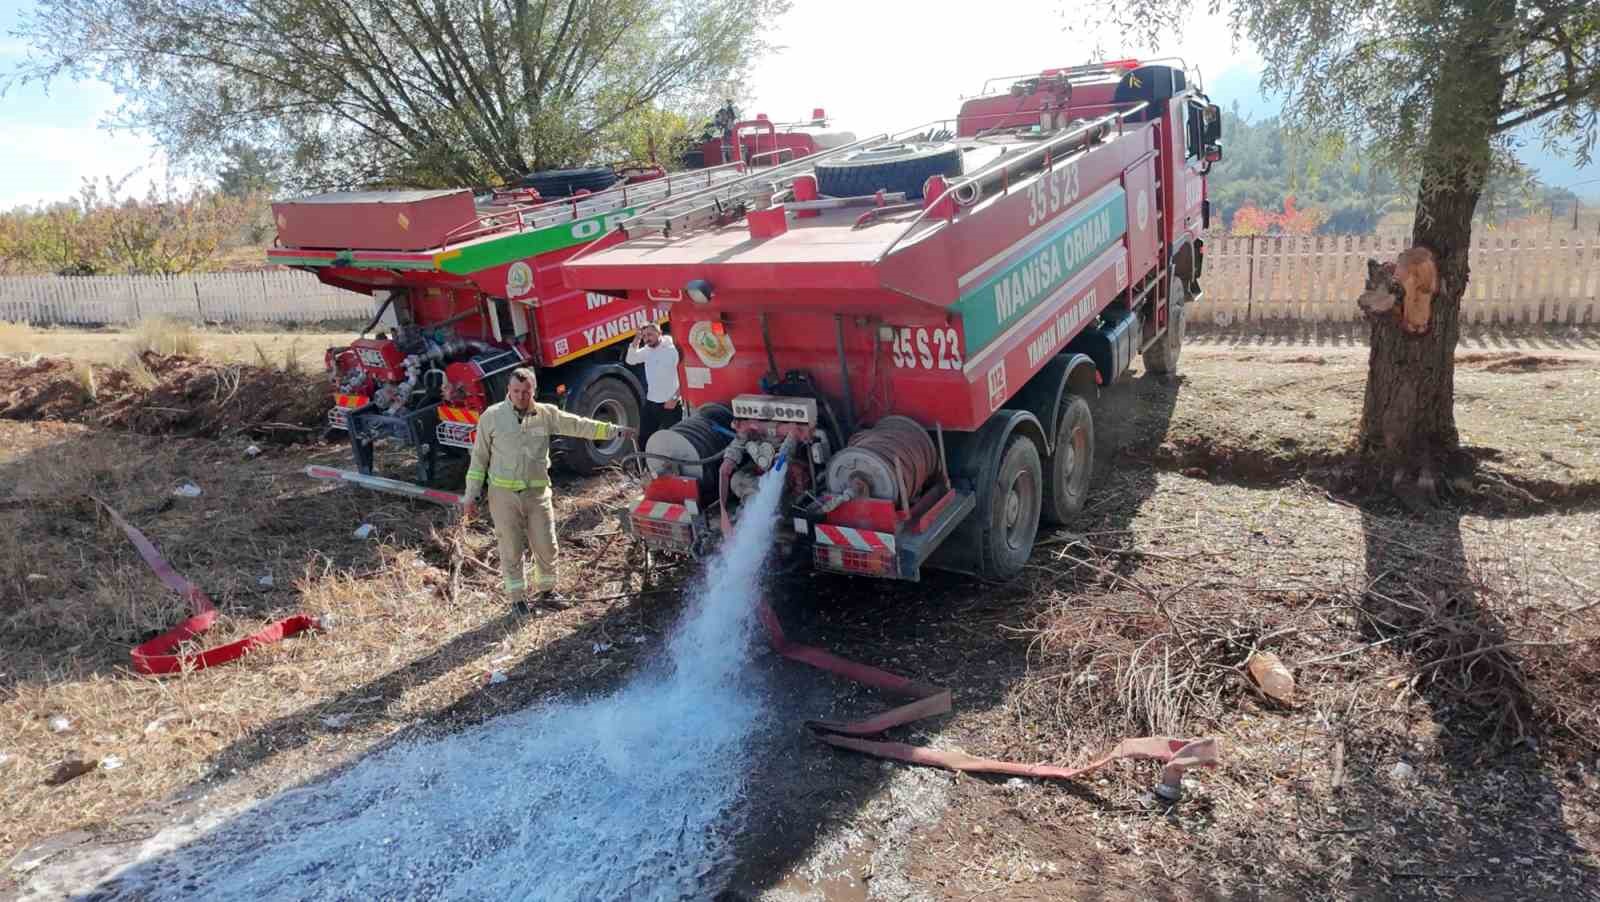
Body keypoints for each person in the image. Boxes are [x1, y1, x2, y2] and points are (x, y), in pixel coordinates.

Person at [462, 368, 634, 613]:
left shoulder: (545, 414)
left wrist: (613, 430)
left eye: (526, 391)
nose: (521, 396)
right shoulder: (491, 417)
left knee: (546, 545)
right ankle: (518, 601)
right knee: (510, 548)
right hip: (503, 496)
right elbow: (478, 460)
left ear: (534, 390)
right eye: (516, 391)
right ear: (508, 391)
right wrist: (471, 495)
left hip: (537, 494)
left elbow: (578, 425)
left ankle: (548, 592)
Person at [625, 322, 681, 442]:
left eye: (650, 334)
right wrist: (637, 338)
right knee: (644, 438)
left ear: (659, 333)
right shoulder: (647, 350)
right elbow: (630, 360)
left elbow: (685, 377)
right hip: (651, 402)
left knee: (671, 441)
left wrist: (675, 398)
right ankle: (644, 461)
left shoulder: (672, 350)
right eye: (644, 336)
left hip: (670, 404)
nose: (647, 339)